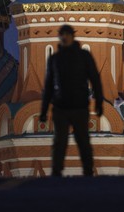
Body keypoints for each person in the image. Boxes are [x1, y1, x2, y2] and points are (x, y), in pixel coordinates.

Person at [40, 25, 104, 177]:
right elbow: (48, 85)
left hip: (79, 106)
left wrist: (99, 103)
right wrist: (43, 111)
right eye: (62, 34)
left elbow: (95, 79)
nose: (65, 37)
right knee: (59, 141)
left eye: (67, 34)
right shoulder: (55, 59)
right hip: (61, 106)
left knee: (83, 140)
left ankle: (88, 171)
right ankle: (57, 172)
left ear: (72, 36)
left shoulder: (83, 56)